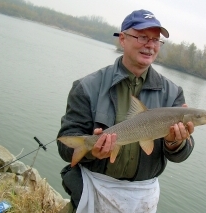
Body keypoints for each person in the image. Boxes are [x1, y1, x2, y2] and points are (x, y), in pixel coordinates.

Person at [57, 9, 195, 213]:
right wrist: (92, 152)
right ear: (122, 39)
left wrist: (175, 142)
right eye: (142, 37)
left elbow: (181, 155)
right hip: (92, 191)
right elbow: (66, 146)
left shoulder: (173, 94)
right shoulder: (86, 87)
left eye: (156, 40)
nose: (150, 45)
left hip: (142, 200)